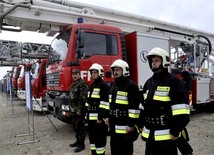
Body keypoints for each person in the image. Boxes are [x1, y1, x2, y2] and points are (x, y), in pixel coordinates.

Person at [139, 47, 191, 155]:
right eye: (152, 61)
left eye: (157, 60)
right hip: (150, 138)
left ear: (165, 61)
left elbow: (182, 111)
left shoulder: (174, 82)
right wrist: (140, 123)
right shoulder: (148, 83)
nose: (154, 63)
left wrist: (175, 131)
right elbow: (143, 107)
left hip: (168, 138)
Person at [107, 59, 140, 155]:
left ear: (124, 70)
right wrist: (109, 116)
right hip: (113, 126)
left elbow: (134, 107)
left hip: (125, 125)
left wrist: (131, 124)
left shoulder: (131, 85)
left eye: (118, 70)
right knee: (114, 150)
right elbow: (111, 104)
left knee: (125, 150)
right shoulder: (113, 85)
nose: (115, 72)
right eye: (114, 70)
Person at [86, 63, 109, 155]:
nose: (93, 74)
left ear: (100, 73)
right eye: (92, 72)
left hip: (99, 121)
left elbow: (104, 104)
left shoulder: (104, 86)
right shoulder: (91, 86)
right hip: (91, 120)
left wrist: (100, 118)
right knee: (92, 141)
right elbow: (88, 102)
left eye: (95, 72)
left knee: (100, 141)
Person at [69, 68, 88, 153]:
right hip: (73, 110)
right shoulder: (74, 84)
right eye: (73, 74)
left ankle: (81, 144)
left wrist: (80, 109)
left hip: (79, 110)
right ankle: (77, 141)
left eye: (76, 74)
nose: (74, 75)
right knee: (75, 126)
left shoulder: (82, 84)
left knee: (80, 127)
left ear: (79, 74)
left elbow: (83, 98)